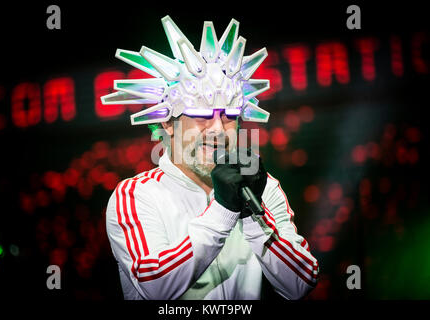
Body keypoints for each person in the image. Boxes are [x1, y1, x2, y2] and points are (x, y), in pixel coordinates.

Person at [103, 15, 319, 300]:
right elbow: (154, 285)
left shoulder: (265, 188)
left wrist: (253, 216)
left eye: (230, 115)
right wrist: (224, 210)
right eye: (201, 114)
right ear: (168, 123)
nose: (218, 129)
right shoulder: (136, 195)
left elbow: (301, 284)